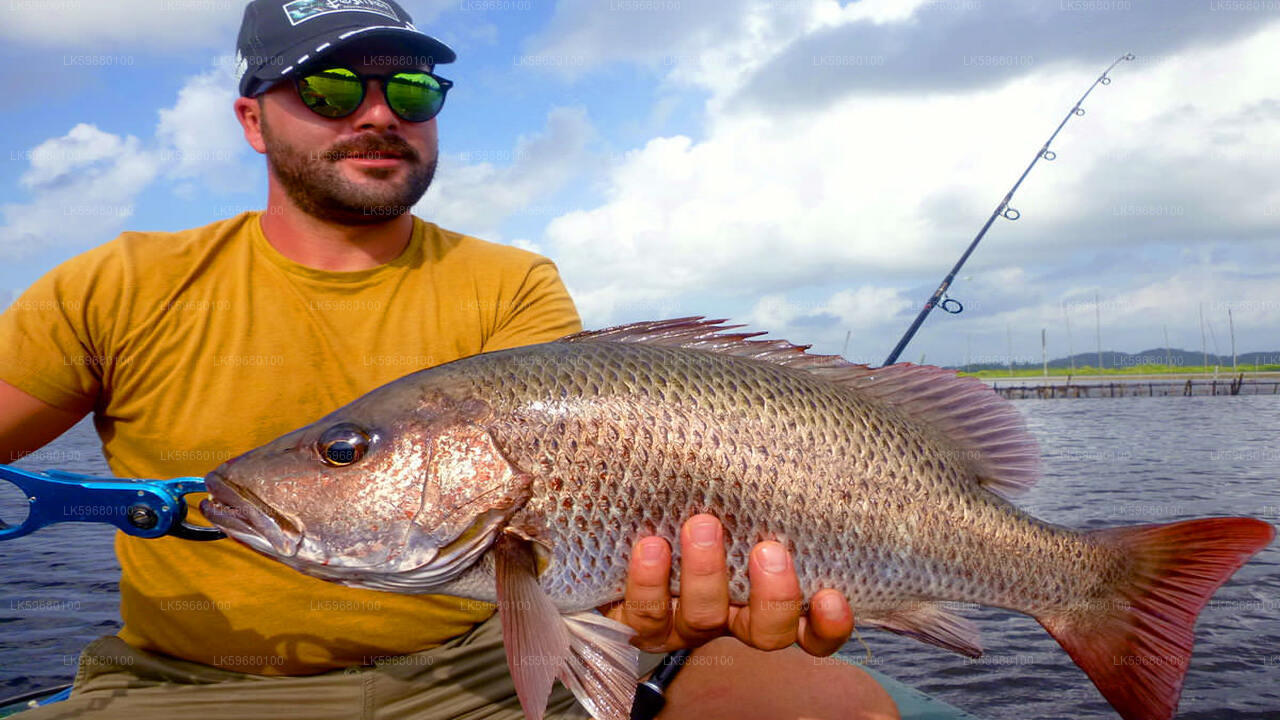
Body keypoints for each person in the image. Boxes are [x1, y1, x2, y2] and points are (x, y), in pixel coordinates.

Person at [0, 2, 898, 718]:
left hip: (478, 675)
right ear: (252, 119)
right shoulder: (119, 281)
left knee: (824, 701)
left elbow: (562, 552)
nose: (379, 114)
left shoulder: (511, 285)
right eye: (330, 88)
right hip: (190, 688)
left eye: (413, 94)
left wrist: (640, 609)